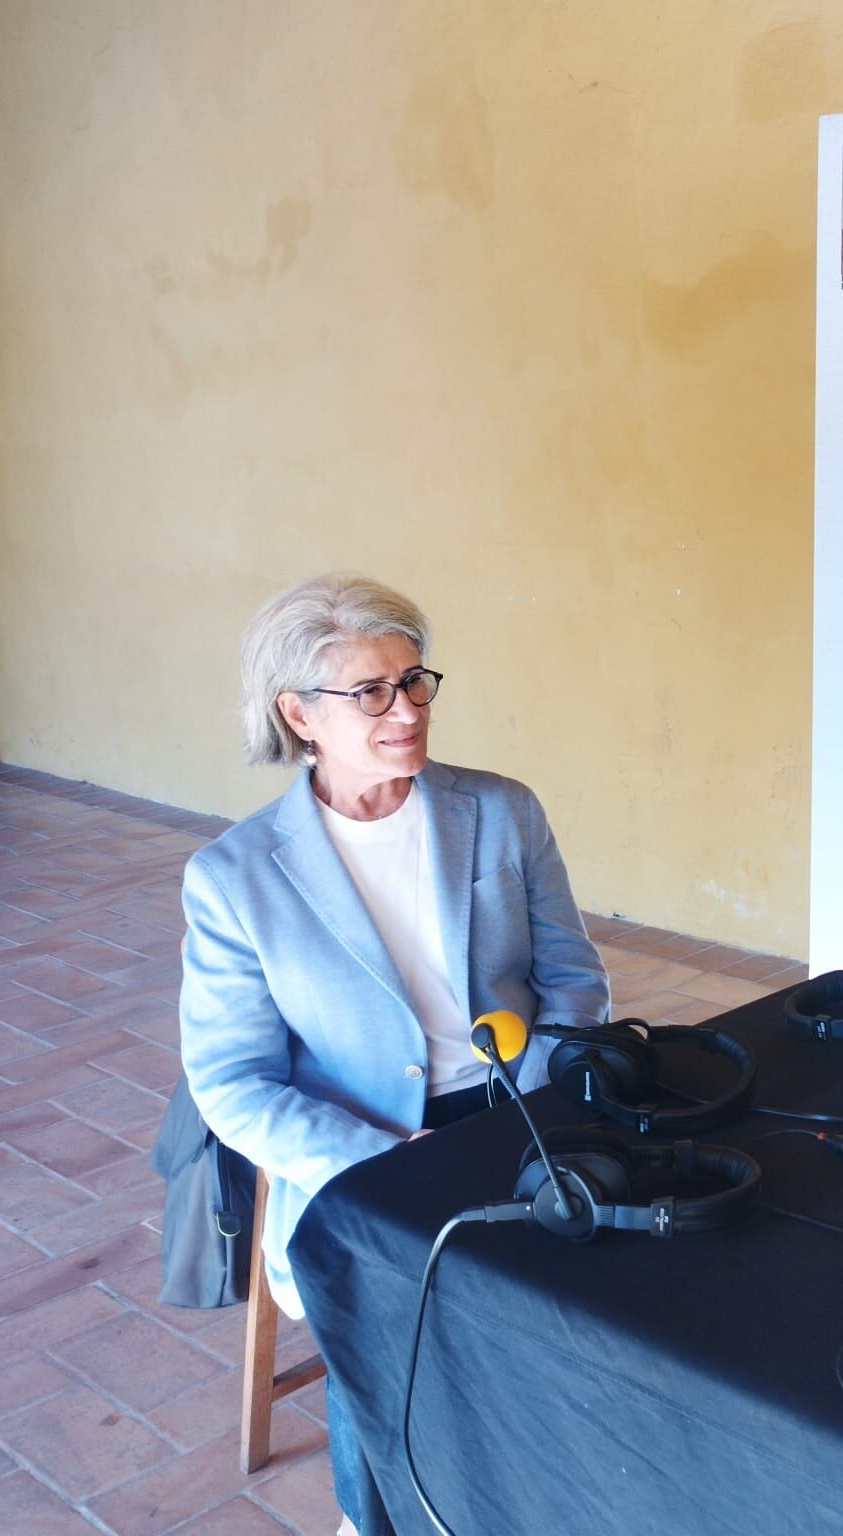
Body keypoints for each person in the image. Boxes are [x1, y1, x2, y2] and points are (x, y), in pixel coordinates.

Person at [178, 574, 610, 1536]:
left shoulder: (501, 811)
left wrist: (543, 1091)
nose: (406, 710)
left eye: (415, 682)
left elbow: (575, 981)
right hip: (359, 1146)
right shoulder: (235, 879)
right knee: (387, 1320)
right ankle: (373, 1517)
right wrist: (375, 1158)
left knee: (587, 1302)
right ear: (298, 714)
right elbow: (232, 1083)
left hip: (515, 1106)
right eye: (369, 692)